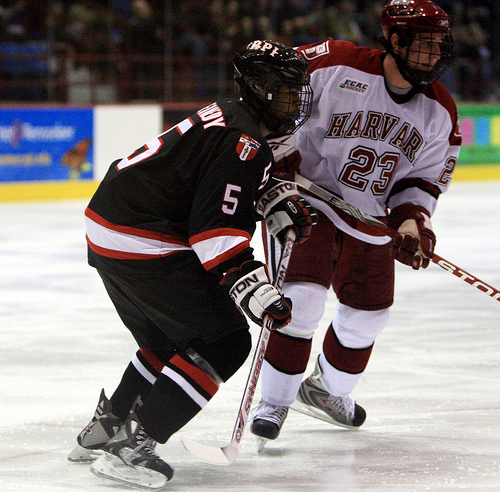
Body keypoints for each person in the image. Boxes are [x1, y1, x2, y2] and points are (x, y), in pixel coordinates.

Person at [67, 39, 317, 487]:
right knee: (224, 342)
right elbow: (212, 233)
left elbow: (205, 191)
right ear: (259, 88)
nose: (295, 100)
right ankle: (134, 447)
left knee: (168, 339)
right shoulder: (244, 141)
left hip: (111, 226)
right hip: (142, 238)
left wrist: (268, 198)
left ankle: (106, 430)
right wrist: (253, 287)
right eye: (286, 89)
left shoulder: (230, 118)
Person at [250, 0, 462, 443]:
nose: (437, 56)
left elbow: (422, 180)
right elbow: (271, 86)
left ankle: (325, 391)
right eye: (426, 45)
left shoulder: (440, 110)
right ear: (395, 40)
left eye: (441, 45)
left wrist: (410, 224)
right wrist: (281, 155)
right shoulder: (336, 64)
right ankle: (274, 401)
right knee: (300, 300)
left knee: (368, 317)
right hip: (304, 196)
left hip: (368, 215)